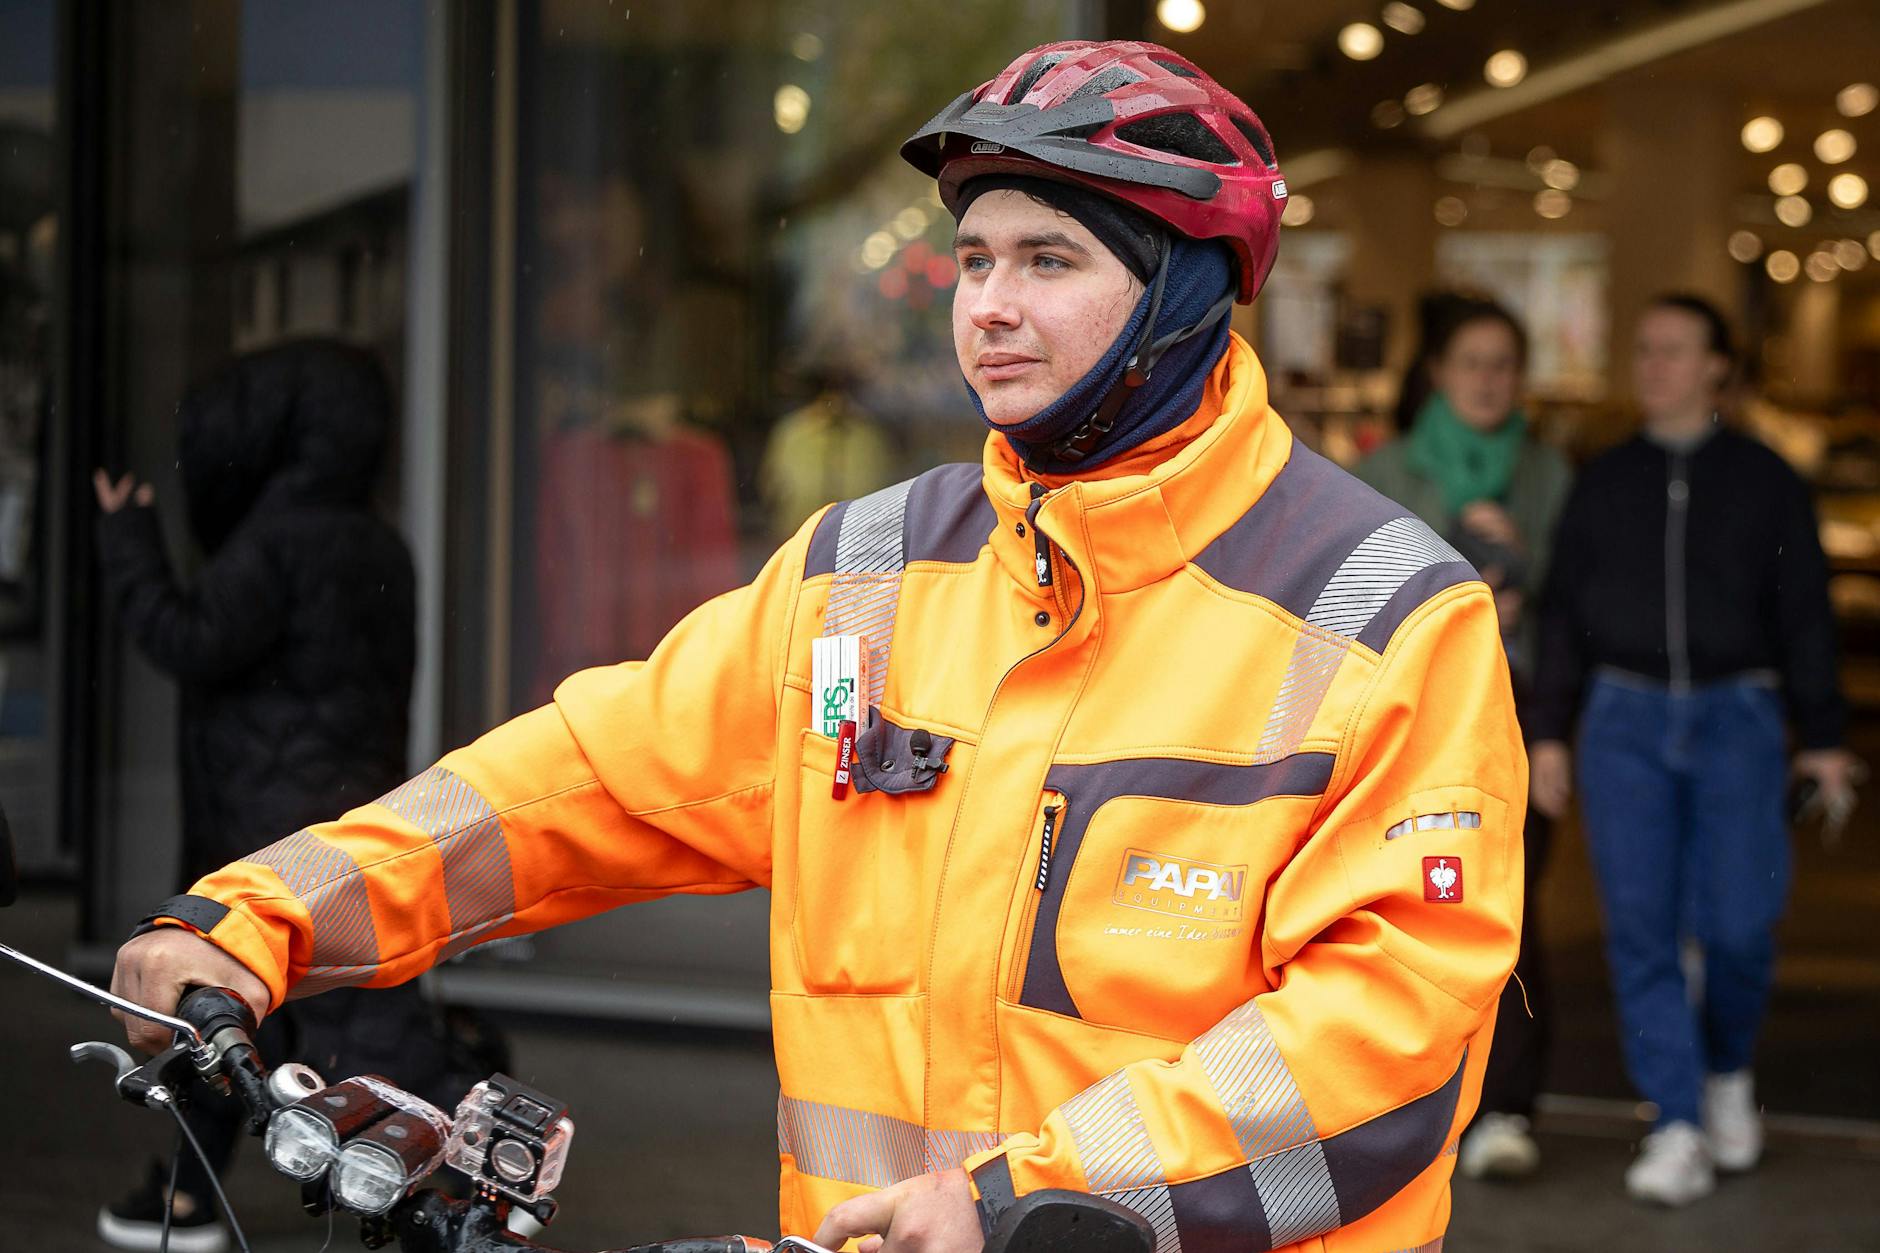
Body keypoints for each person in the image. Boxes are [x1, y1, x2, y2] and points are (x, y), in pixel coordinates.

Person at [111, 43, 1522, 1253]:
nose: (987, 304)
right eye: (974, 258)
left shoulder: (1384, 611)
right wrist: (263, 916)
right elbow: (582, 779)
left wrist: (1021, 1203)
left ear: (1186, 292)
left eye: (1048, 259)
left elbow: (1388, 1034)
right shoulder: (867, 571)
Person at [93, 340, 457, 1252]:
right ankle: (424, 1185)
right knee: (337, 1009)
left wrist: (128, 539)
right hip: (349, 807)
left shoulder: (278, 540)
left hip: (261, 816)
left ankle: (202, 1196)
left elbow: (187, 637)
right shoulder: (379, 542)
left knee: (231, 1004)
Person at [1529, 294, 1859, 1207]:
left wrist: (1824, 735)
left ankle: (1724, 1072)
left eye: (1674, 350)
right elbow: (1562, 613)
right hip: (1622, 719)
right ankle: (1674, 1118)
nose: (1654, 365)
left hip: (1738, 717)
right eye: (1644, 349)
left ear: (1718, 365)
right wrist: (1550, 728)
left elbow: (1806, 613)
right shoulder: (1603, 480)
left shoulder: (1766, 479)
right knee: (1640, 928)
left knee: (1739, 925)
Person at [1356, 297, 1570, 1182]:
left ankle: (1506, 1105)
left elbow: (1582, 608)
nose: (1488, 379)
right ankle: (1410, 1102)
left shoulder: (1551, 473)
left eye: (1504, 364)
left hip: (1517, 713)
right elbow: (1355, 594)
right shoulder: (1385, 469)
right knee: (1407, 908)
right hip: (1415, 715)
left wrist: (1527, 582)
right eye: (1472, 362)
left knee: (1505, 912)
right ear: (1438, 372)